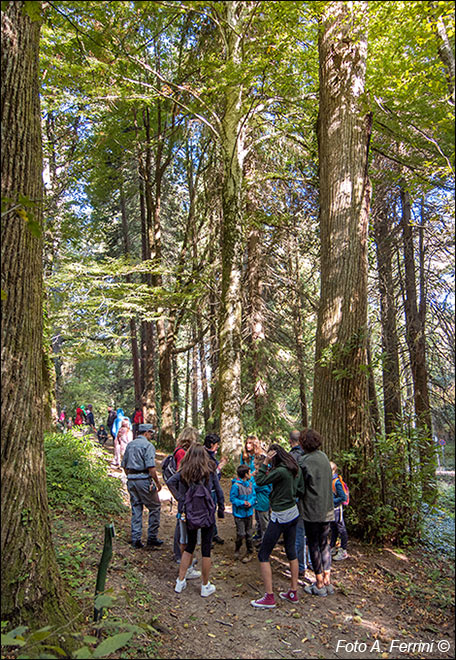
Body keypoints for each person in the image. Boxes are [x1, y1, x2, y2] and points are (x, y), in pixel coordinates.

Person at [251, 444, 305, 608]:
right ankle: (293, 592)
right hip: (293, 513)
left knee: (263, 554)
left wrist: (265, 462)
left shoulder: (281, 471)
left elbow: (259, 481)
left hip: (280, 515)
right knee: (291, 551)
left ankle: (269, 597)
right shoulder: (295, 468)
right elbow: (301, 489)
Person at [168, 444, 224, 597]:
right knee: (206, 550)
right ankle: (205, 585)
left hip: (190, 513)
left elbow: (170, 482)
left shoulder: (185, 471)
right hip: (207, 513)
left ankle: (180, 581)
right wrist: (221, 508)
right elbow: (218, 490)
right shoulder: (210, 470)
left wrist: (182, 499)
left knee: (189, 546)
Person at [298, 428, 335, 596]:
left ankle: (319, 583)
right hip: (327, 508)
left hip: (312, 509)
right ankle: (327, 580)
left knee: (313, 544)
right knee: (324, 543)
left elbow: (300, 487)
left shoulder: (304, 461)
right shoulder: (324, 457)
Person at [121, 423, 164, 549]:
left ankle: (136, 539)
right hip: (143, 479)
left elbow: (124, 464)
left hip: (131, 480)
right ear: (146, 433)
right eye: (151, 433)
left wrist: (130, 476)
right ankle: (152, 537)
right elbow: (151, 467)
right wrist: (157, 482)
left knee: (136, 507)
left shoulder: (130, 445)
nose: (151, 435)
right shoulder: (148, 446)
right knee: (155, 507)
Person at [171, 427, 200, 563]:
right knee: (181, 524)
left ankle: (183, 555)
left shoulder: (180, 450)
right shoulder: (182, 453)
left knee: (181, 523)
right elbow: (181, 473)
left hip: (184, 493)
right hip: (184, 493)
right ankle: (181, 556)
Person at [289, 429, 309, 579]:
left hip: (297, 499)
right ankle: (311, 563)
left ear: (291, 441)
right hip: (312, 499)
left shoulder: (292, 457)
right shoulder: (309, 455)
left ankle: (300, 566)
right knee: (310, 532)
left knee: (299, 533)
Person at [230, 465, 256, 563]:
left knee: (249, 533)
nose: (251, 474)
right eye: (249, 472)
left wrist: (250, 502)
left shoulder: (250, 484)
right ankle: (237, 548)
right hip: (239, 514)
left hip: (248, 513)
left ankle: (250, 551)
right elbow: (233, 499)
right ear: (245, 474)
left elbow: (254, 496)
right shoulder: (236, 486)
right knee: (241, 534)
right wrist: (242, 503)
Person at [203, 433, 226, 545]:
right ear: (212, 444)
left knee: (211, 513)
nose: (218, 446)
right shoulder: (204, 456)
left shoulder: (211, 454)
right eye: (217, 444)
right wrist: (220, 467)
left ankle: (213, 534)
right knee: (207, 513)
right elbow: (210, 474)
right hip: (207, 490)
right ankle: (207, 538)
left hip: (212, 489)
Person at [329, 461, 349, 561]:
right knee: (333, 528)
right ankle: (332, 547)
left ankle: (343, 551)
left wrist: (332, 501)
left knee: (341, 529)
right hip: (331, 510)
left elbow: (343, 497)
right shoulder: (328, 480)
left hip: (337, 509)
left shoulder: (336, 482)